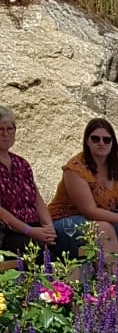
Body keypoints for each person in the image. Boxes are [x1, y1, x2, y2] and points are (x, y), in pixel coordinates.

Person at [50, 119, 118, 257]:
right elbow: (90, 211)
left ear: (112, 142)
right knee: (104, 230)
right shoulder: (75, 169)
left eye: (106, 140)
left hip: (103, 218)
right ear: (87, 141)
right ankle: (109, 271)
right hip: (66, 221)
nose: (101, 143)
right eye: (95, 139)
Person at [0, 109, 58, 254]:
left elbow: (37, 199)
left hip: (34, 226)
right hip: (9, 231)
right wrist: (29, 231)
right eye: (0, 129)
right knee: (37, 251)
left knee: (65, 244)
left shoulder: (21, 164)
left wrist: (49, 228)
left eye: (9, 129)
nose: (5, 134)